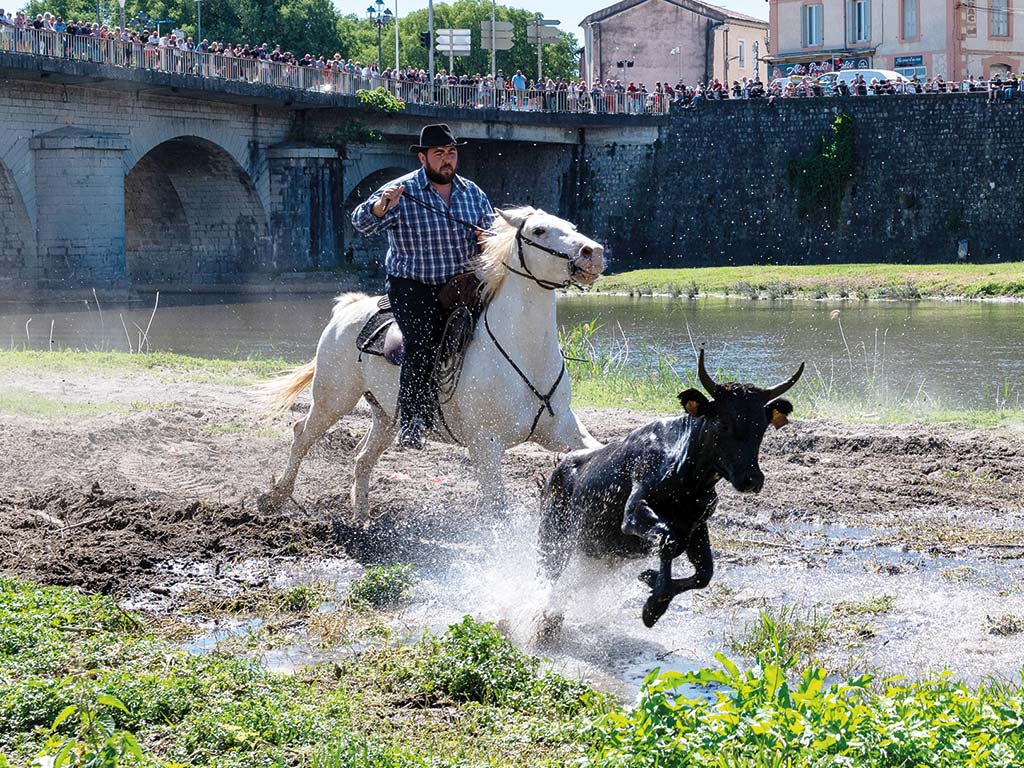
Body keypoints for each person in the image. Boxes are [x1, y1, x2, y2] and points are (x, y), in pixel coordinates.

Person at [350, 124, 493, 450]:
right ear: (423, 157)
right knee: (423, 342)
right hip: (413, 285)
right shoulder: (400, 190)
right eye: (439, 154)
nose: (447, 160)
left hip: (461, 284)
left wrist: (488, 241)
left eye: (452, 153)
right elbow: (360, 221)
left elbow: (491, 233)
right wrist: (379, 207)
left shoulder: (472, 192)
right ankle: (415, 420)